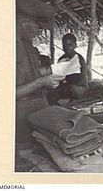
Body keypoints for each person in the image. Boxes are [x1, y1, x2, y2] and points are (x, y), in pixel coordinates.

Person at [16, 16, 65, 144]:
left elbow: (30, 74)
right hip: (21, 114)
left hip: (38, 107)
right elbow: (9, 94)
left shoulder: (27, 44)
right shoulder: (10, 47)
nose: (39, 32)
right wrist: (41, 82)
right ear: (23, 23)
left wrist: (53, 70)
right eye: (38, 27)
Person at [47, 33, 89, 104]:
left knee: (69, 89)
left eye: (70, 45)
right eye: (64, 45)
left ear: (75, 45)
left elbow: (81, 80)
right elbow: (59, 77)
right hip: (67, 86)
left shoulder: (79, 59)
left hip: (79, 87)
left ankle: (68, 100)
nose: (66, 47)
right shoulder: (62, 59)